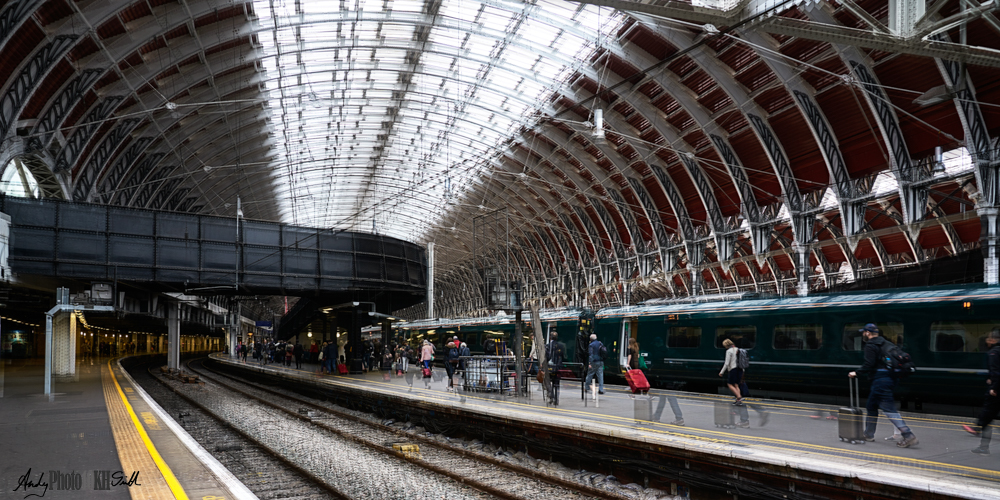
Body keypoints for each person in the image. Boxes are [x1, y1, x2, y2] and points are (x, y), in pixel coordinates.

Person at [849, 323, 919, 448]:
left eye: (864, 332)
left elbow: (869, 364)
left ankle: (908, 435)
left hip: (880, 381)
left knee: (889, 409)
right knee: (871, 406)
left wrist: (856, 373)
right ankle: (868, 434)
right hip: (891, 379)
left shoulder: (870, 345)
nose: (863, 335)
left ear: (868, 333)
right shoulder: (887, 343)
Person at [963, 329, 1000, 455]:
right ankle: (978, 429)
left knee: (987, 415)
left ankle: (980, 436)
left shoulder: (994, 353)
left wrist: (994, 387)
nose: (987, 340)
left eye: (989, 338)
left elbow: (996, 372)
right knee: (988, 416)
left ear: (994, 340)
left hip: (996, 391)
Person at [719, 339, 743, 405]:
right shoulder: (738, 349)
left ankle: (739, 397)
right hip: (740, 369)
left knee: (730, 384)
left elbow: (726, 363)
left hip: (733, 369)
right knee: (736, 385)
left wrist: (721, 372)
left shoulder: (729, 351)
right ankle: (738, 401)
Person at [546, 331, 566, 405]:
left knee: (549, 383)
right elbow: (564, 356)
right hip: (557, 367)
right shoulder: (561, 345)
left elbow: (547, 357)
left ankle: (552, 397)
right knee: (557, 384)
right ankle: (556, 399)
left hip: (549, 367)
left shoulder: (548, 346)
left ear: (550, 337)